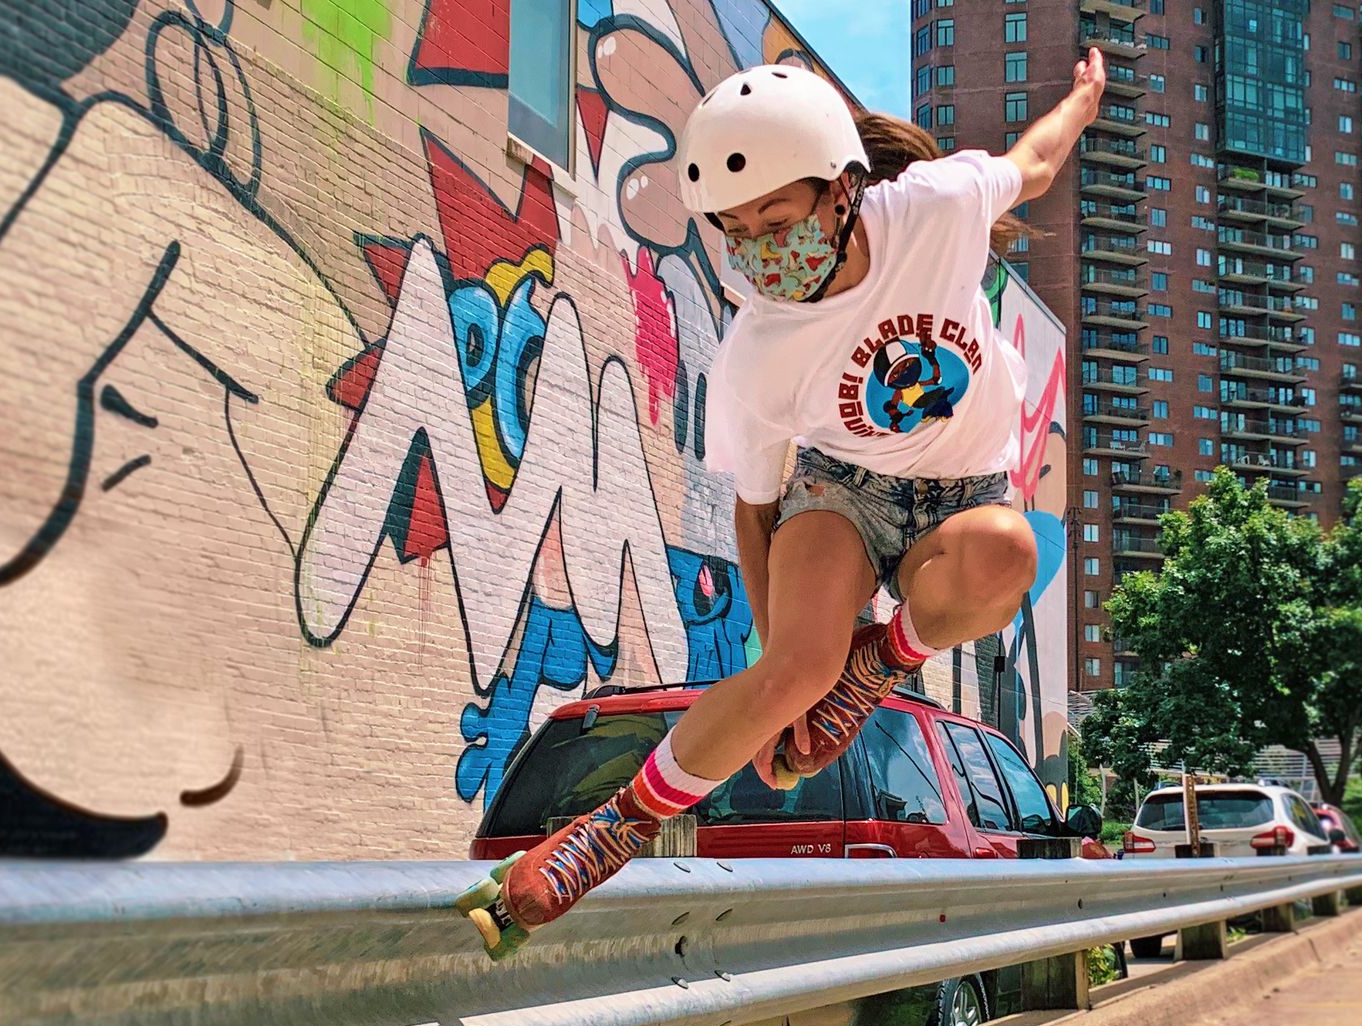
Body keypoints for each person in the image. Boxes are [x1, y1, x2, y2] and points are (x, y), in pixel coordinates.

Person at [460, 50, 1106, 959]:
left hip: (965, 496)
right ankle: (607, 834)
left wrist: (1080, 98)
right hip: (838, 490)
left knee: (1010, 553)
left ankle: (884, 660)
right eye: (736, 229)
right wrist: (791, 687)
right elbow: (755, 512)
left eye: (777, 216)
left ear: (842, 191)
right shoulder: (759, 350)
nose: (762, 247)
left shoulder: (933, 209)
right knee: (795, 672)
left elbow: (1032, 165)